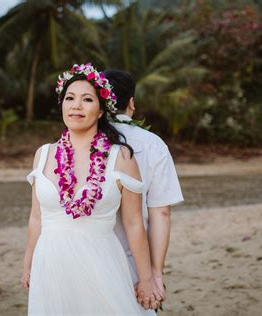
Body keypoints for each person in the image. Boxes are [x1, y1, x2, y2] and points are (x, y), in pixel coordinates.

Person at [20, 63, 163, 314]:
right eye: (70, 98)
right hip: (51, 265)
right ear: (62, 104)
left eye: (87, 99)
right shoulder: (43, 154)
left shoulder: (122, 157)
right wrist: (28, 263)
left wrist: (147, 278)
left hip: (102, 264)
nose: (76, 105)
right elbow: (36, 217)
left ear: (100, 111)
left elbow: (133, 224)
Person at [103, 69, 184, 303]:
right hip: (135, 261)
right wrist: (155, 274)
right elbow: (161, 212)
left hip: (83, 254)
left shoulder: (78, 142)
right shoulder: (153, 144)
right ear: (131, 103)